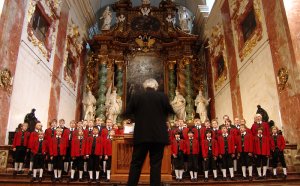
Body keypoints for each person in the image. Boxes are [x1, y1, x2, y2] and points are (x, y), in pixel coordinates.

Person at [123, 78, 175, 186]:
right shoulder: (162, 96)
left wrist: (136, 118)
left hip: (141, 135)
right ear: (156, 87)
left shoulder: (137, 96)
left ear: (144, 86)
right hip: (158, 136)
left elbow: (127, 113)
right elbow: (171, 111)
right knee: (156, 165)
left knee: (136, 164)